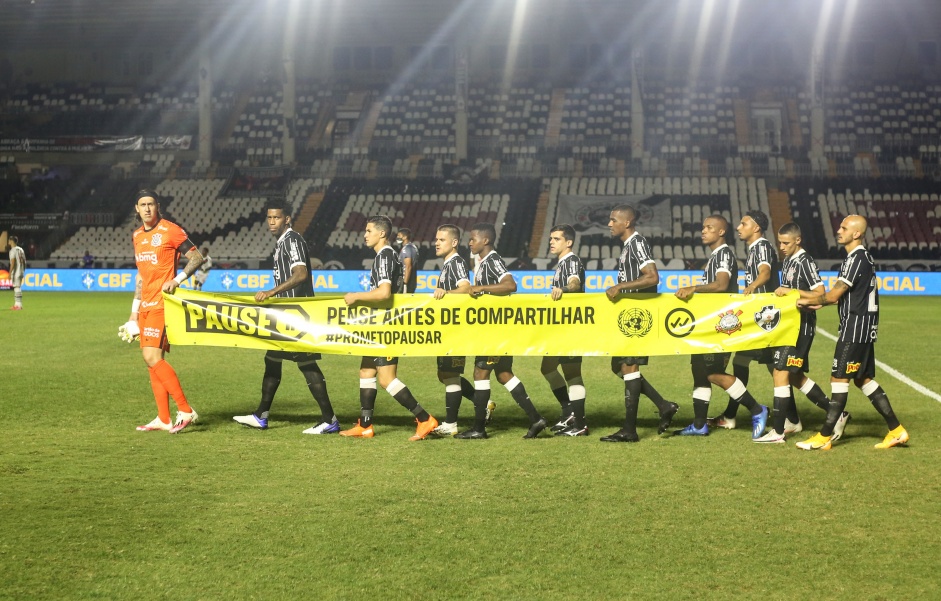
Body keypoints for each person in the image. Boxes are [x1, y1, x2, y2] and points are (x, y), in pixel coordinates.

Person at [795, 215, 909, 450]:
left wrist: (804, 300)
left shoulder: (856, 258)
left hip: (855, 329)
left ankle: (824, 436)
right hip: (863, 327)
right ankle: (896, 430)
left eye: (844, 228)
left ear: (856, 233)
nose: (838, 230)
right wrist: (817, 301)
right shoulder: (859, 258)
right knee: (862, 379)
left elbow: (834, 295)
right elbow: (843, 297)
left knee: (839, 378)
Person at [233, 200, 339, 434]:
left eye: (277, 217)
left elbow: (300, 274)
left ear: (287, 219)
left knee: (306, 364)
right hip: (288, 315)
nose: (272, 222)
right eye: (269, 217)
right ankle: (261, 415)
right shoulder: (283, 243)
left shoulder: (293, 241)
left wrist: (272, 292)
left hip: (297, 317)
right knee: (273, 359)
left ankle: (329, 419)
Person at [340, 215, 439, 440]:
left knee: (386, 379)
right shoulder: (385, 255)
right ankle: (365, 425)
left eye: (368, 231)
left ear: (381, 233)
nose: (364, 235)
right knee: (366, 370)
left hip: (387, 326)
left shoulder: (385, 255)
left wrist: (357, 296)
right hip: (378, 325)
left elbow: (384, 293)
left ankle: (425, 419)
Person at [673, 215, 769, 438]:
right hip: (709, 326)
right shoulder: (716, 256)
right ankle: (699, 424)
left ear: (721, 232)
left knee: (712, 373)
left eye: (709, 228)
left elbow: (722, 285)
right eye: (703, 227)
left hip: (720, 326)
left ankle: (757, 409)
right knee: (699, 371)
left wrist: (694, 288)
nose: (703, 231)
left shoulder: (724, 254)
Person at [754, 222, 847, 443]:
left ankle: (778, 432)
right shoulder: (788, 261)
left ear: (798, 240)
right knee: (794, 376)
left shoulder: (805, 261)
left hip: (801, 327)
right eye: (780, 242)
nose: (782, 246)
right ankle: (836, 413)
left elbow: (820, 292)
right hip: (787, 326)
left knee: (780, 372)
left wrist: (792, 292)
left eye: (786, 242)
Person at [455, 222, 547, 440]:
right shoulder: (483, 262)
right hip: (498, 330)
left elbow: (510, 285)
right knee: (505, 375)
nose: (470, 242)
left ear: (485, 240)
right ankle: (536, 419)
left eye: (473, 238)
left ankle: (478, 428)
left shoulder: (493, 260)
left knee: (480, 373)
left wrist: (482, 287)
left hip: (494, 332)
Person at [128, 189, 204, 433]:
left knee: (152, 358)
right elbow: (141, 275)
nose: (147, 208)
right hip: (146, 306)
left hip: (163, 303)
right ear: (137, 209)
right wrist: (133, 313)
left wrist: (179, 279)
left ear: (157, 206)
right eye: (143, 205)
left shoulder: (170, 230)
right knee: (152, 363)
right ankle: (163, 418)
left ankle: (185, 410)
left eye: (151, 204)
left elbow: (197, 257)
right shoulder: (137, 236)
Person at [600, 205, 678, 442]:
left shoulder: (637, 243)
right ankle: (663, 405)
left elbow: (653, 277)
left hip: (638, 317)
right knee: (619, 366)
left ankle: (629, 430)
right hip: (630, 315)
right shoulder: (627, 246)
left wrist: (620, 287)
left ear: (627, 222)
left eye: (613, 220)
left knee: (630, 367)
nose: (609, 224)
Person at [711, 210, 780, 430]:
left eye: (744, 223)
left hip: (766, 319)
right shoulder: (754, 249)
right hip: (761, 318)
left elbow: (765, 273)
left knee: (779, 371)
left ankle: (793, 418)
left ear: (756, 228)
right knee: (745, 363)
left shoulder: (761, 247)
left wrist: (751, 286)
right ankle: (730, 415)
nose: (739, 227)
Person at [428, 224, 478, 436]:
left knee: (450, 373)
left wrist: (445, 292)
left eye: (441, 239)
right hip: (448, 329)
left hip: (455, 330)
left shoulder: (456, 262)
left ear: (454, 242)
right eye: (436, 239)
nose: (436, 243)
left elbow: (466, 288)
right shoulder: (448, 264)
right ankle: (483, 403)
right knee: (444, 374)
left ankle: (450, 424)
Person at [540, 224, 589, 436]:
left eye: (557, 239)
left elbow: (575, 284)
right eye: (551, 238)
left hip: (572, 329)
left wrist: (565, 289)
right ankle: (569, 412)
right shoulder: (561, 263)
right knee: (548, 368)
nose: (551, 242)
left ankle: (580, 424)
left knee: (572, 375)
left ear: (568, 242)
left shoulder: (571, 261)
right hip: (562, 329)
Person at [396, 227, 419, 293]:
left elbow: (408, 266)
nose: (397, 237)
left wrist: (404, 283)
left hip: (407, 282)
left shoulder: (407, 248)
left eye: (399, 236)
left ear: (405, 237)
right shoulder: (412, 247)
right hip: (411, 281)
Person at [8, 235, 25, 310]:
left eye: (9, 240)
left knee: (17, 287)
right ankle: (17, 304)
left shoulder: (13, 250)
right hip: (21, 270)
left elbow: (13, 262)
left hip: (16, 271)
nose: (8, 241)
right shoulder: (21, 249)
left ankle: (18, 305)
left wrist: (10, 272)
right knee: (17, 287)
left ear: (11, 241)